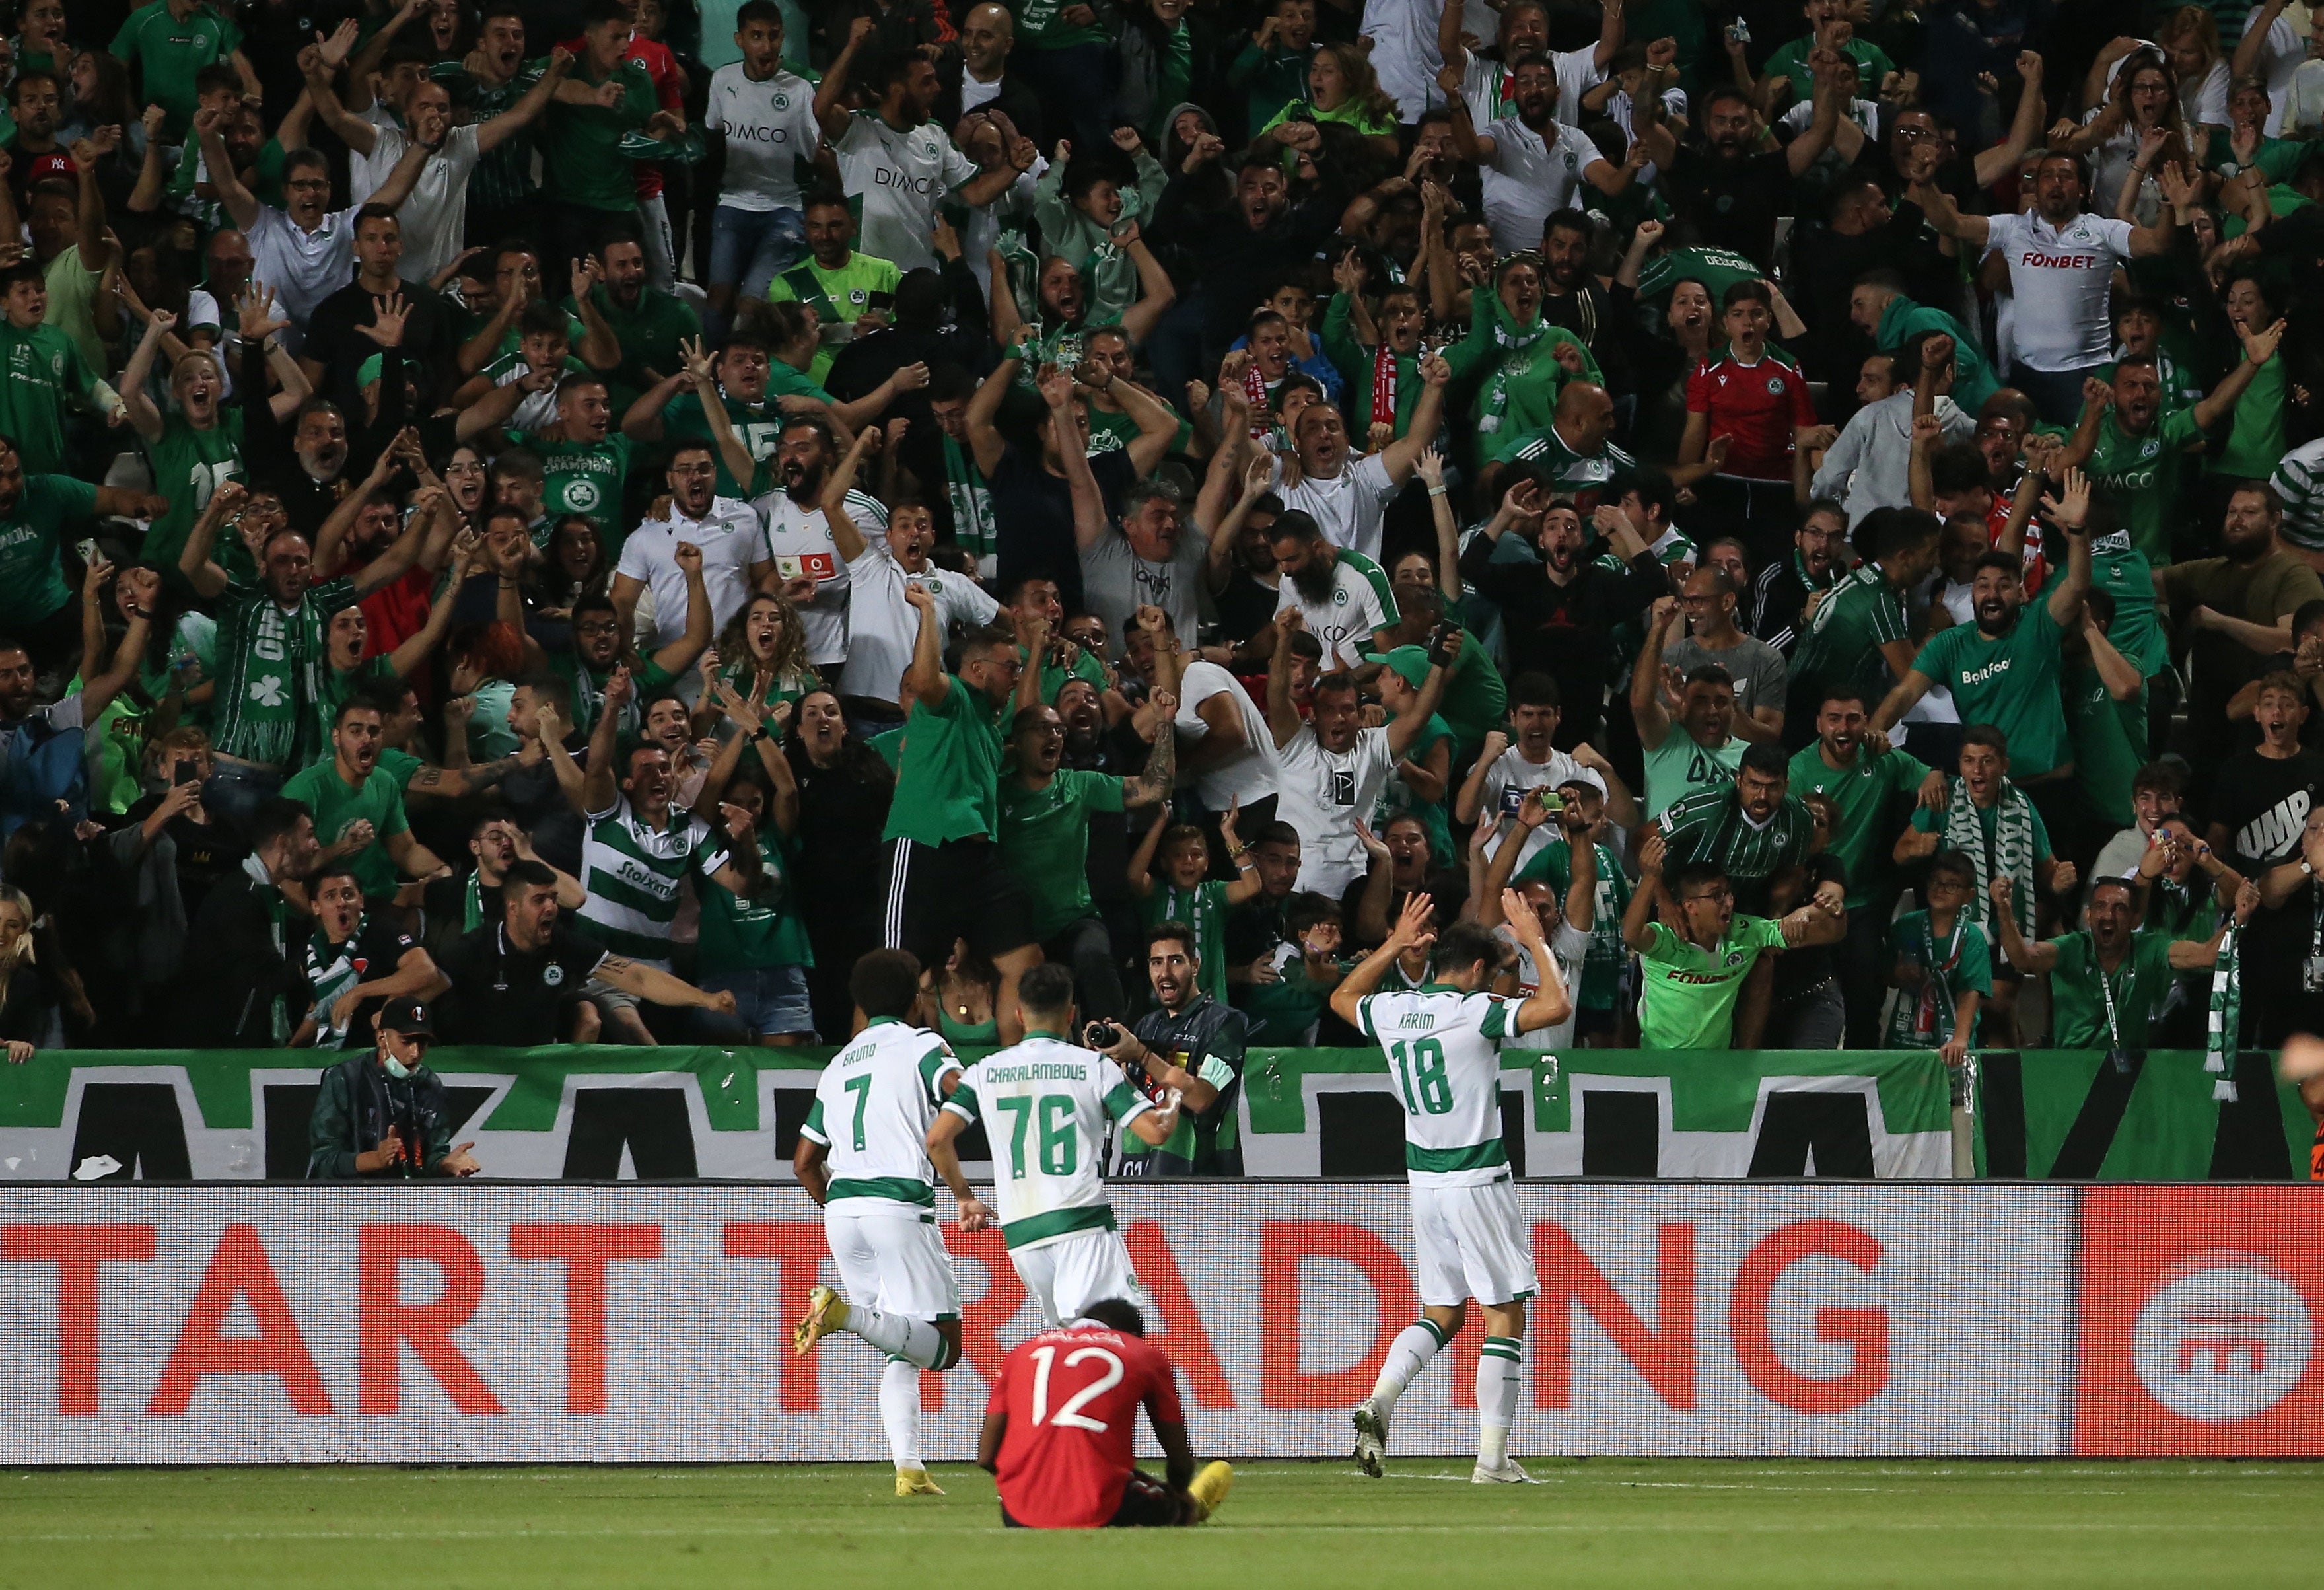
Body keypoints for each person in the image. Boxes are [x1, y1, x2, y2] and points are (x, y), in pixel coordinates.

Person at [1333, 894, 1569, 1484]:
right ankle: (1491, 1458)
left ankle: (1382, 1400)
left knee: (1442, 1311)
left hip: (1424, 1182)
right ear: (1472, 970)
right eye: (1490, 972)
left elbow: (1340, 998)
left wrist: (1392, 944)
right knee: (1503, 1314)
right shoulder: (1474, 1010)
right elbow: (1556, 1005)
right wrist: (1533, 937)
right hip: (1477, 1176)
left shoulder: (1390, 1008)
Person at [792, 948, 979, 1498]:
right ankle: (842, 1315)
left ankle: (909, 1469)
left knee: (906, 1341)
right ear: (915, 999)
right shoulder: (921, 1044)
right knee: (943, 1347)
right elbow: (958, 1090)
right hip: (896, 1205)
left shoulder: (839, 1063)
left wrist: (842, 1208)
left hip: (844, 1211)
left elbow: (804, 1161)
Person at [926, 960, 1181, 1325]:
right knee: (1115, 1335)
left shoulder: (984, 1071)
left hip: (1022, 1234)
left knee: (1067, 1340)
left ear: (1018, 1014)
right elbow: (1156, 1131)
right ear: (1071, 1014)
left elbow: (936, 1140)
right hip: (1081, 1222)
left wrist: (965, 1197)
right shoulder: (1093, 1066)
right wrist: (1175, 1089)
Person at [979, 1296, 1234, 1529]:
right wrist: (1180, 1492)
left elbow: (986, 1457)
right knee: (1178, 1507)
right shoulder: (1142, 1352)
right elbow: (1179, 1458)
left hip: (1017, 1513)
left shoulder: (1022, 1352)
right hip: (1102, 1505)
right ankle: (1186, 1509)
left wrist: (1027, 1487)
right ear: (1133, 1334)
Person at [435, 859, 737, 1044]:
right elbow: (425, 986)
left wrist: (704, 999)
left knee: (590, 1014)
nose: (551, 907)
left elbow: (637, 978)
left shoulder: (563, 944)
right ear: (512, 907)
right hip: (482, 1066)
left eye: (554, 898)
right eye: (539, 900)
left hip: (539, 1061)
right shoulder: (474, 949)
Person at [1268, 610, 1448, 900]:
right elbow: (1277, 696)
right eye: (1328, 710)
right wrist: (1284, 640)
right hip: (1294, 888)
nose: (1338, 718)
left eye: (1347, 710)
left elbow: (1418, 717)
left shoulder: (1373, 747)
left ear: (1361, 713)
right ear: (1313, 715)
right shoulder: (1295, 745)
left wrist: (1440, 662)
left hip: (1354, 888)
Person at [1622, 830, 1847, 1050]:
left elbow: (1831, 933)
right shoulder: (1667, 938)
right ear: (1690, 906)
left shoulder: (1745, 933)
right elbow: (1631, 935)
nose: (1728, 902)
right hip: (1660, 1061)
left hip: (1717, 1067)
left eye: (1728, 893)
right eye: (1716, 896)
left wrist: (1835, 913)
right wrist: (1651, 876)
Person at [1990, 873, 2241, 1048]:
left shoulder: (2149, 948)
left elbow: (2208, 956)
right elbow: (2022, 959)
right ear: (2088, 916)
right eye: (2100, 906)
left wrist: (2238, 917)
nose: (2108, 915)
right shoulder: (2071, 947)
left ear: (2135, 921)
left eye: (2119, 908)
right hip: (2071, 1063)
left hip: (2130, 1072)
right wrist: (2003, 910)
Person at [1084, 921, 1251, 1176]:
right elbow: (1116, 1105)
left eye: (1175, 961)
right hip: (1138, 1173)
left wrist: (1141, 1054)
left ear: (1195, 966)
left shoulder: (1225, 1023)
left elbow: (1202, 1099)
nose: (1164, 973)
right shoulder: (1145, 1026)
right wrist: (1103, 1063)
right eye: (1156, 963)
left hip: (1201, 1180)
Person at [175, 795, 318, 1047]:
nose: (316, 845)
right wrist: (322, 947)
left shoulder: (264, 893)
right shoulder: (240, 900)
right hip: (218, 1053)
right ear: (283, 843)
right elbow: (266, 981)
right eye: (309, 835)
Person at [305, 997, 481, 1179]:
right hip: (343, 1198)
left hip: (404, 1199)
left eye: (423, 1044)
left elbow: (431, 1158)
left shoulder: (431, 1085)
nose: (415, 1053)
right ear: (382, 1038)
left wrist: (445, 1165)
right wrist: (374, 1159)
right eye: (406, 1042)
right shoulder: (345, 1079)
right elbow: (325, 1160)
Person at [294, 863, 447, 1051]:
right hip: (337, 1053)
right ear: (316, 907)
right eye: (330, 896)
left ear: (361, 901)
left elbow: (426, 971)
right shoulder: (311, 953)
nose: (341, 902)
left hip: (382, 1051)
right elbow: (318, 1005)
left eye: (348, 895)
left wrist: (359, 992)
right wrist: (292, 1046)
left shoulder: (380, 930)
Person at [1884, 850, 1990, 1066]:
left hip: (1952, 1043)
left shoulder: (1972, 937)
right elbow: (1886, 975)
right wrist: (1899, 974)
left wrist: (1960, 1039)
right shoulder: (1906, 925)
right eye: (1936, 882)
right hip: (1905, 1038)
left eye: (1952, 885)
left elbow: (1971, 991)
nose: (1940, 890)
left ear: (1968, 895)